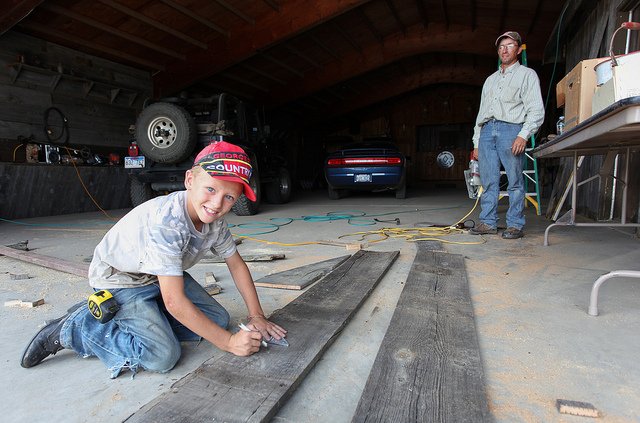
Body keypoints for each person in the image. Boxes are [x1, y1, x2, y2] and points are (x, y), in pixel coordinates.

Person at [20, 141, 287, 378]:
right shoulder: (169, 222)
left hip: (156, 277)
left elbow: (236, 264)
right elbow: (174, 301)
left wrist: (256, 315)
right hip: (122, 279)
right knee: (162, 355)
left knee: (216, 320)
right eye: (210, 189)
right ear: (189, 180)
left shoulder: (214, 222)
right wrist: (229, 343)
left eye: (229, 197)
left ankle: (140, 318)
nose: (217, 204)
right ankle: (77, 328)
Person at [469, 31, 544, 239]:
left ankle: (515, 225)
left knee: (515, 180)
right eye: (501, 46)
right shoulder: (490, 80)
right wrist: (476, 141)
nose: (505, 49)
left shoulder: (527, 75)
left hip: (511, 130)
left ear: (518, 50)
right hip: (486, 131)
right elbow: (481, 113)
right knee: (489, 180)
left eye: (510, 45)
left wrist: (523, 135)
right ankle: (488, 222)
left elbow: (536, 110)